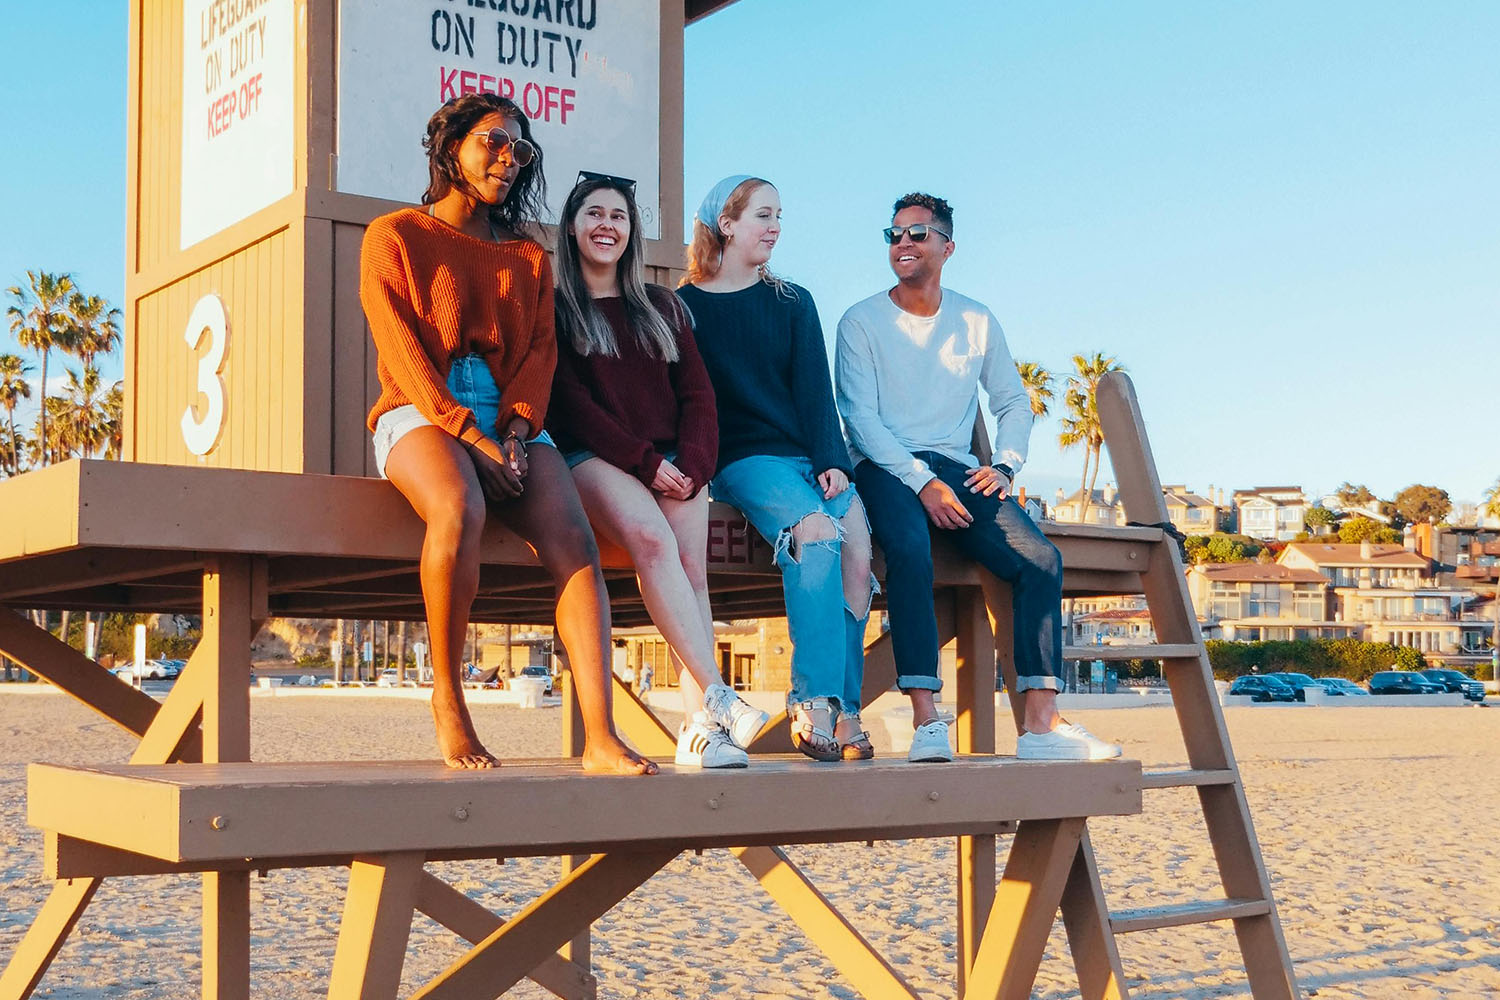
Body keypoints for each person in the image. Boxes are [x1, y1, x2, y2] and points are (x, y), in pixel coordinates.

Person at [359, 93, 655, 774]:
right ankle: (449, 702)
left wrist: (516, 432)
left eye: (520, 150)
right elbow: (402, 353)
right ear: (450, 146)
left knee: (575, 540)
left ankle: (601, 737)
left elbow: (539, 355)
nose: (508, 159)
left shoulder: (527, 255)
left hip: (510, 417)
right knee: (459, 506)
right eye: (493, 142)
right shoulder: (394, 235)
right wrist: (467, 433)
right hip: (419, 407)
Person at [835, 192, 1122, 762]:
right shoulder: (860, 321)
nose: (903, 244)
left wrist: (1007, 465)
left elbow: (1013, 401)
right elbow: (860, 419)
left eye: (917, 234)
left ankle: (1040, 725)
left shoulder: (975, 318)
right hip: (883, 465)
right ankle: (925, 720)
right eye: (893, 235)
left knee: (1040, 559)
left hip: (960, 466)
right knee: (911, 549)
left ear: (947, 246)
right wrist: (921, 482)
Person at [548, 173, 769, 768]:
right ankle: (720, 696)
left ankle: (703, 732)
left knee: (693, 571)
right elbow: (570, 406)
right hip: (595, 458)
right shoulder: (557, 311)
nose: (606, 226)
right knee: (651, 540)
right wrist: (647, 465)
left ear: (631, 231)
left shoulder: (662, 305)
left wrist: (694, 465)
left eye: (618, 216)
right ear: (573, 227)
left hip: (676, 461)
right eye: (593, 214)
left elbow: (699, 394)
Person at [677, 175, 875, 762]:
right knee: (815, 534)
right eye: (763, 215)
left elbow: (816, 390)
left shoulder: (794, 301)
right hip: (743, 460)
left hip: (807, 458)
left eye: (779, 216)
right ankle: (811, 701)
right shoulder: (685, 306)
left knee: (858, 551)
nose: (775, 227)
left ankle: (845, 709)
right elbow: (689, 398)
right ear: (727, 224)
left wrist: (833, 461)